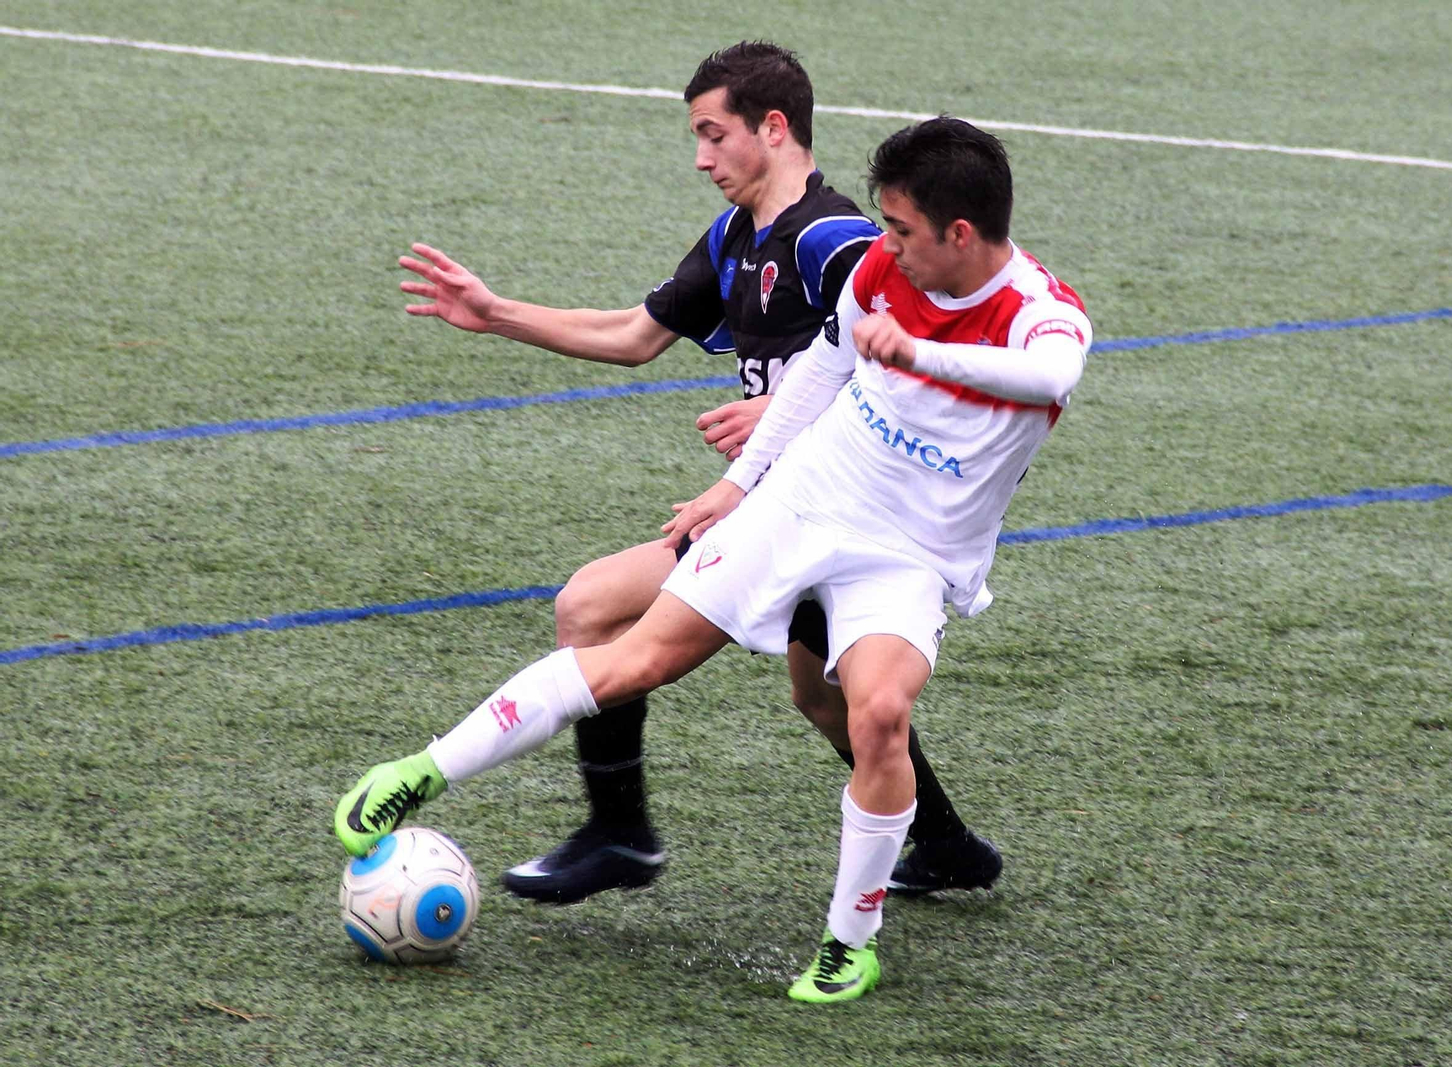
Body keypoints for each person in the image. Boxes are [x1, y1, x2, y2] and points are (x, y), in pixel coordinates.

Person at [338, 116, 1092, 1002]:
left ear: (959, 234)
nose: (887, 245)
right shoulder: (884, 273)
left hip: (910, 551)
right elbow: (821, 365)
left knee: (876, 712)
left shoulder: (1044, 314)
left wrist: (919, 352)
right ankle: (416, 774)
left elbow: (1049, 380)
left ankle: (850, 944)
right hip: (807, 498)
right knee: (634, 656)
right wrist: (741, 483)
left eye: (900, 228)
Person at [391, 42, 999, 904]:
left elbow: (908, 357)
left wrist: (788, 410)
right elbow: (635, 335)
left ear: (775, 127)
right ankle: (945, 845)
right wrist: (497, 316)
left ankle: (623, 834)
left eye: (715, 135)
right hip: (780, 508)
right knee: (824, 700)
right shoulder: (734, 237)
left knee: (603, 609)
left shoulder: (837, 238)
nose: (702, 157)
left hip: (852, 517)